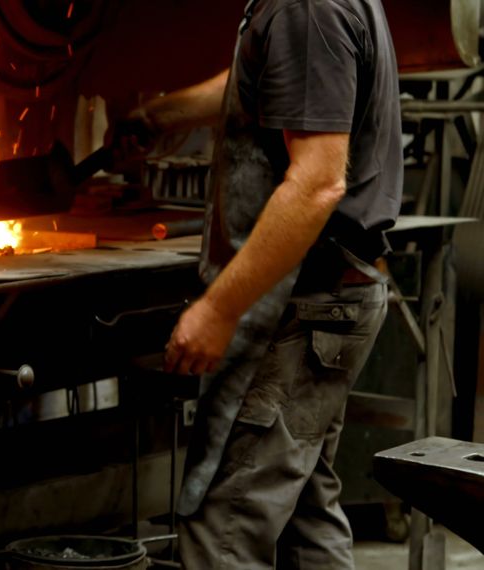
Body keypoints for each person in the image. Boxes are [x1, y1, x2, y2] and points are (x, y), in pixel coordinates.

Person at [120, 0, 402, 567]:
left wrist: (218, 310)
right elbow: (275, 81)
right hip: (331, 299)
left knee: (223, 527)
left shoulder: (304, 8)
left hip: (300, 308)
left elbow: (318, 183)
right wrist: (162, 115)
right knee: (305, 513)